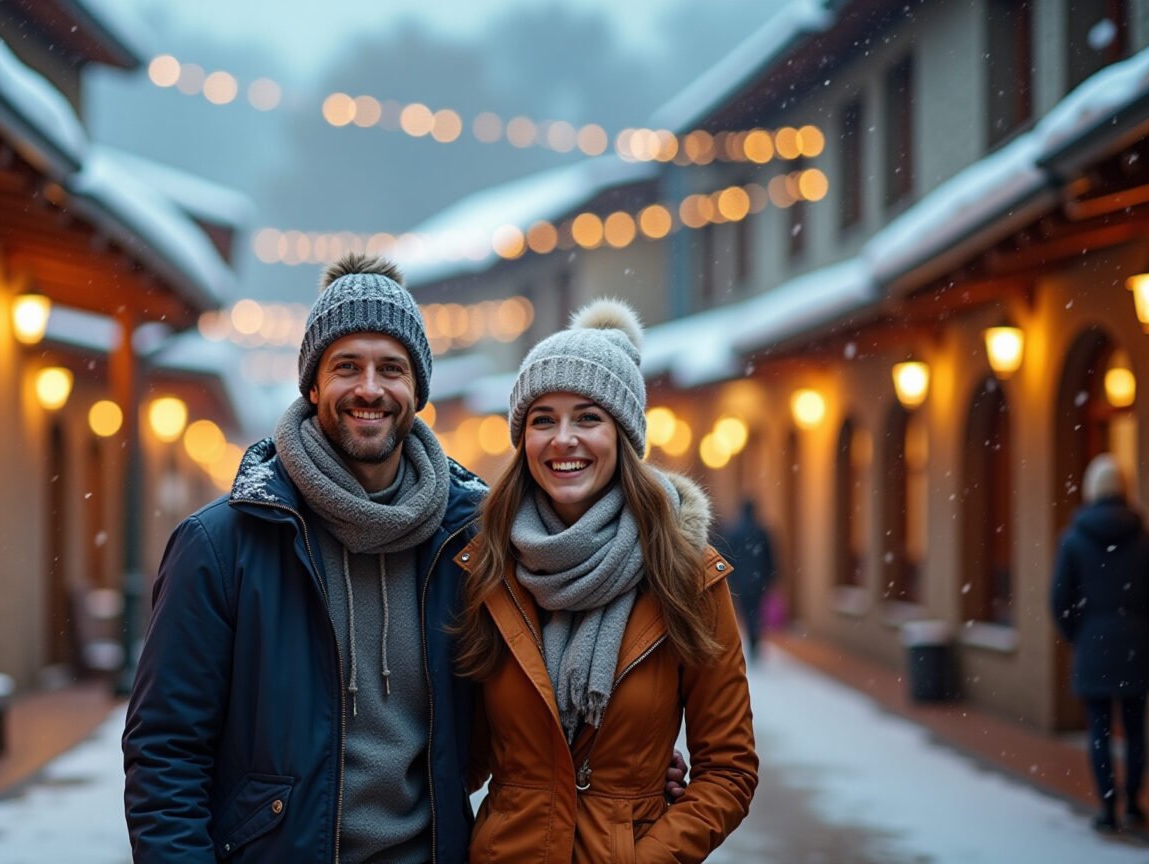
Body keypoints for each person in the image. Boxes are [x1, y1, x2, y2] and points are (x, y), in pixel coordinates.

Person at [121, 254, 688, 862]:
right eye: (347, 367)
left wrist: (622, 755)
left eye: (391, 368)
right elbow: (165, 752)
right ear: (313, 385)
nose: (370, 388)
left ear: (417, 390)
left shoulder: (471, 542)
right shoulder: (224, 545)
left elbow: (523, 699)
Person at [454, 299, 757, 863]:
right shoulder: (488, 568)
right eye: (543, 419)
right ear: (524, 440)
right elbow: (459, 755)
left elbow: (730, 771)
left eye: (588, 417)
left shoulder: (684, 572)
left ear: (622, 435)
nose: (563, 439)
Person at [1051, 453, 1149, 833]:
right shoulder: (1148, 539)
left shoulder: (1073, 541)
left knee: (1099, 731)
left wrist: (1080, 636)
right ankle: (1133, 802)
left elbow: (1059, 600)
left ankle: (1107, 807)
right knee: (1135, 731)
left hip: (1093, 647)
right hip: (1136, 646)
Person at [721, 499, 777, 660]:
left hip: (740, 580)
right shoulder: (761, 531)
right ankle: (754, 641)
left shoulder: (734, 531)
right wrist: (772, 577)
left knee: (746, 611)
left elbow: (727, 556)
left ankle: (752, 639)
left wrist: (729, 577)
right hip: (758, 581)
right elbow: (770, 557)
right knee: (756, 611)